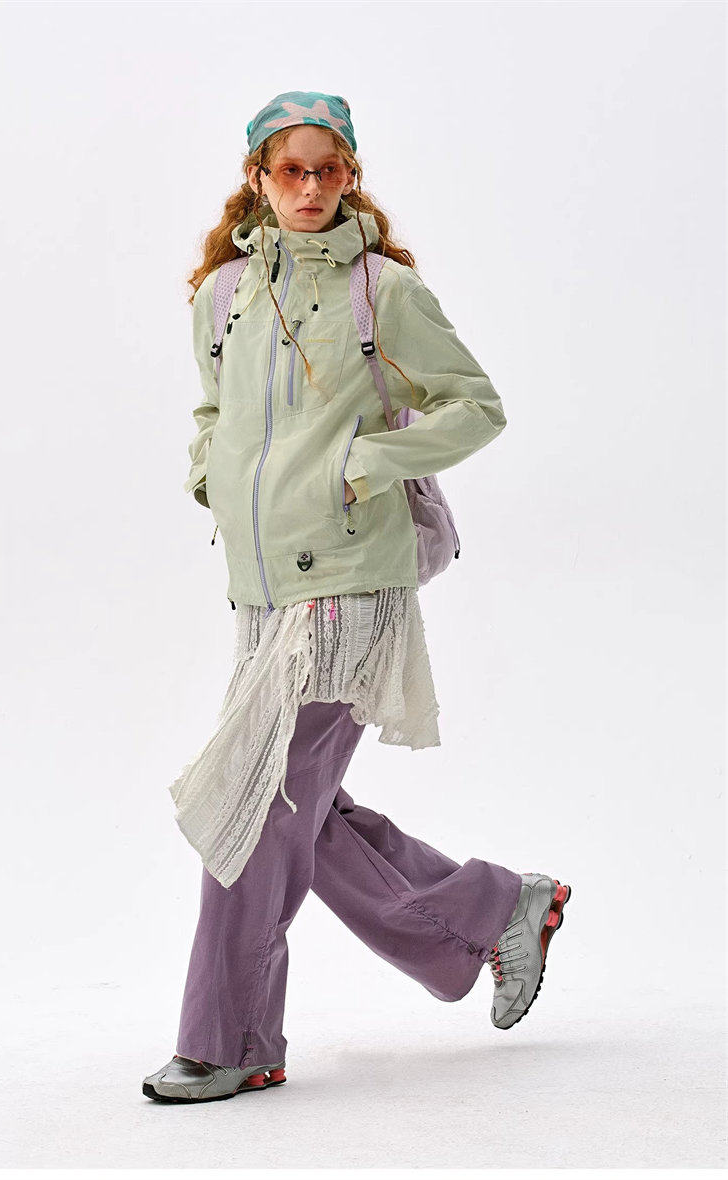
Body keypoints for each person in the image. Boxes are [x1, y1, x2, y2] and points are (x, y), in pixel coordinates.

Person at [143, 91, 572, 1105]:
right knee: (292, 802)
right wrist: (210, 473)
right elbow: (213, 410)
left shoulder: (385, 291)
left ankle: (229, 1040)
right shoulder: (224, 294)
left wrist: (366, 463)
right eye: (290, 171)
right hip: (260, 592)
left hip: (351, 583)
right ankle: (494, 907)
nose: (310, 188)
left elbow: (476, 406)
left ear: (349, 177)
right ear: (258, 178)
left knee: (255, 798)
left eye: (326, 171)